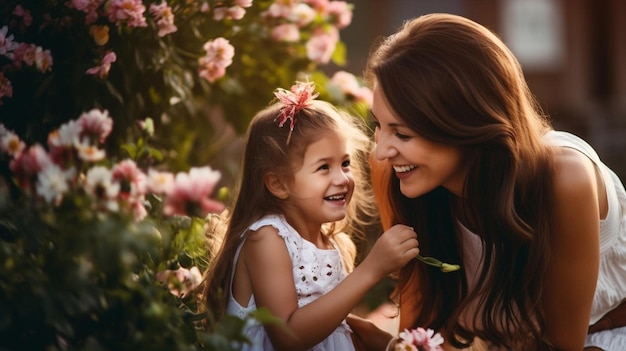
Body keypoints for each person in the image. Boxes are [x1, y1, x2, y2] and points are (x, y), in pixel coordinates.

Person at [348, 13, 626, 351]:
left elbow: (562, 344)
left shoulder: (563, 179)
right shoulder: (399, 175)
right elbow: (423, 332)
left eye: (402, 133)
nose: (381, 151)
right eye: (379, 125)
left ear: (464, 122)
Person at [202, 80, 420, 351]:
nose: (342, 178)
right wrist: (372, 269)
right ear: (279, 184)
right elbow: (288, 336)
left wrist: (373, 336)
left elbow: (324, 322)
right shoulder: (267, 238)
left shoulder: (333, 242)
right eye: (323, 168)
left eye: (345, 163)